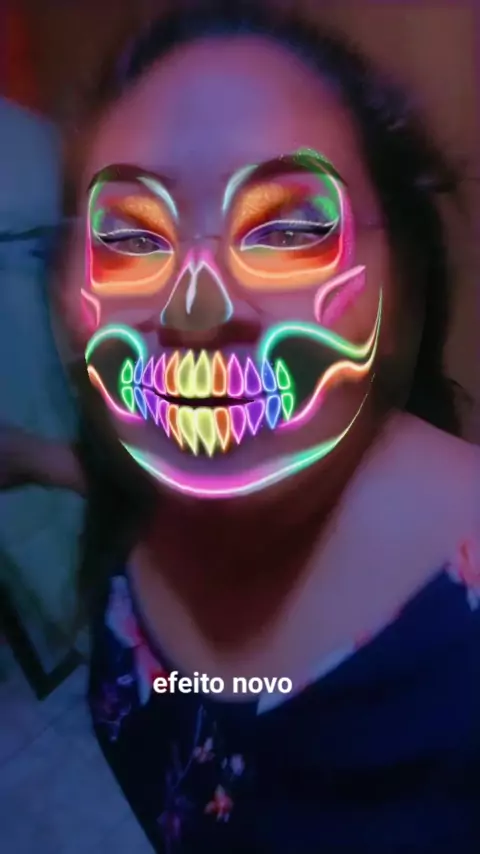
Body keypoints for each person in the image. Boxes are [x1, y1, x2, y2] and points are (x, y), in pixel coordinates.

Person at [2, 2, 480, 851]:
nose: (193, 308)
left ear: (401, 271)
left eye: (288, 229)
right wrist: (33, 458)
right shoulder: (153, 484)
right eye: (131, 237)